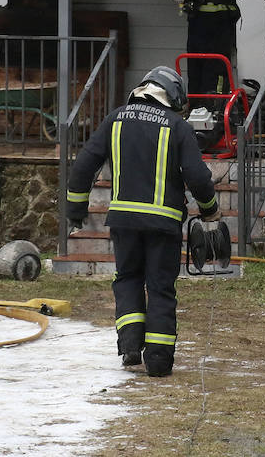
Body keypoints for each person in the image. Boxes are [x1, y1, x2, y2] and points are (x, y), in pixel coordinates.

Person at [65, 66, 219, 377]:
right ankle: (159, 361)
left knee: (128, 279)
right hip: (163, 223)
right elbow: (199, 177)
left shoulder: (115, 119)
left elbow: (83, 166)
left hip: (123, 221)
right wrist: (210, 211)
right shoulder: (178, 126)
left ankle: (131, 347)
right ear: (173, 96)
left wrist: (75, 209)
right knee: (160, 287)